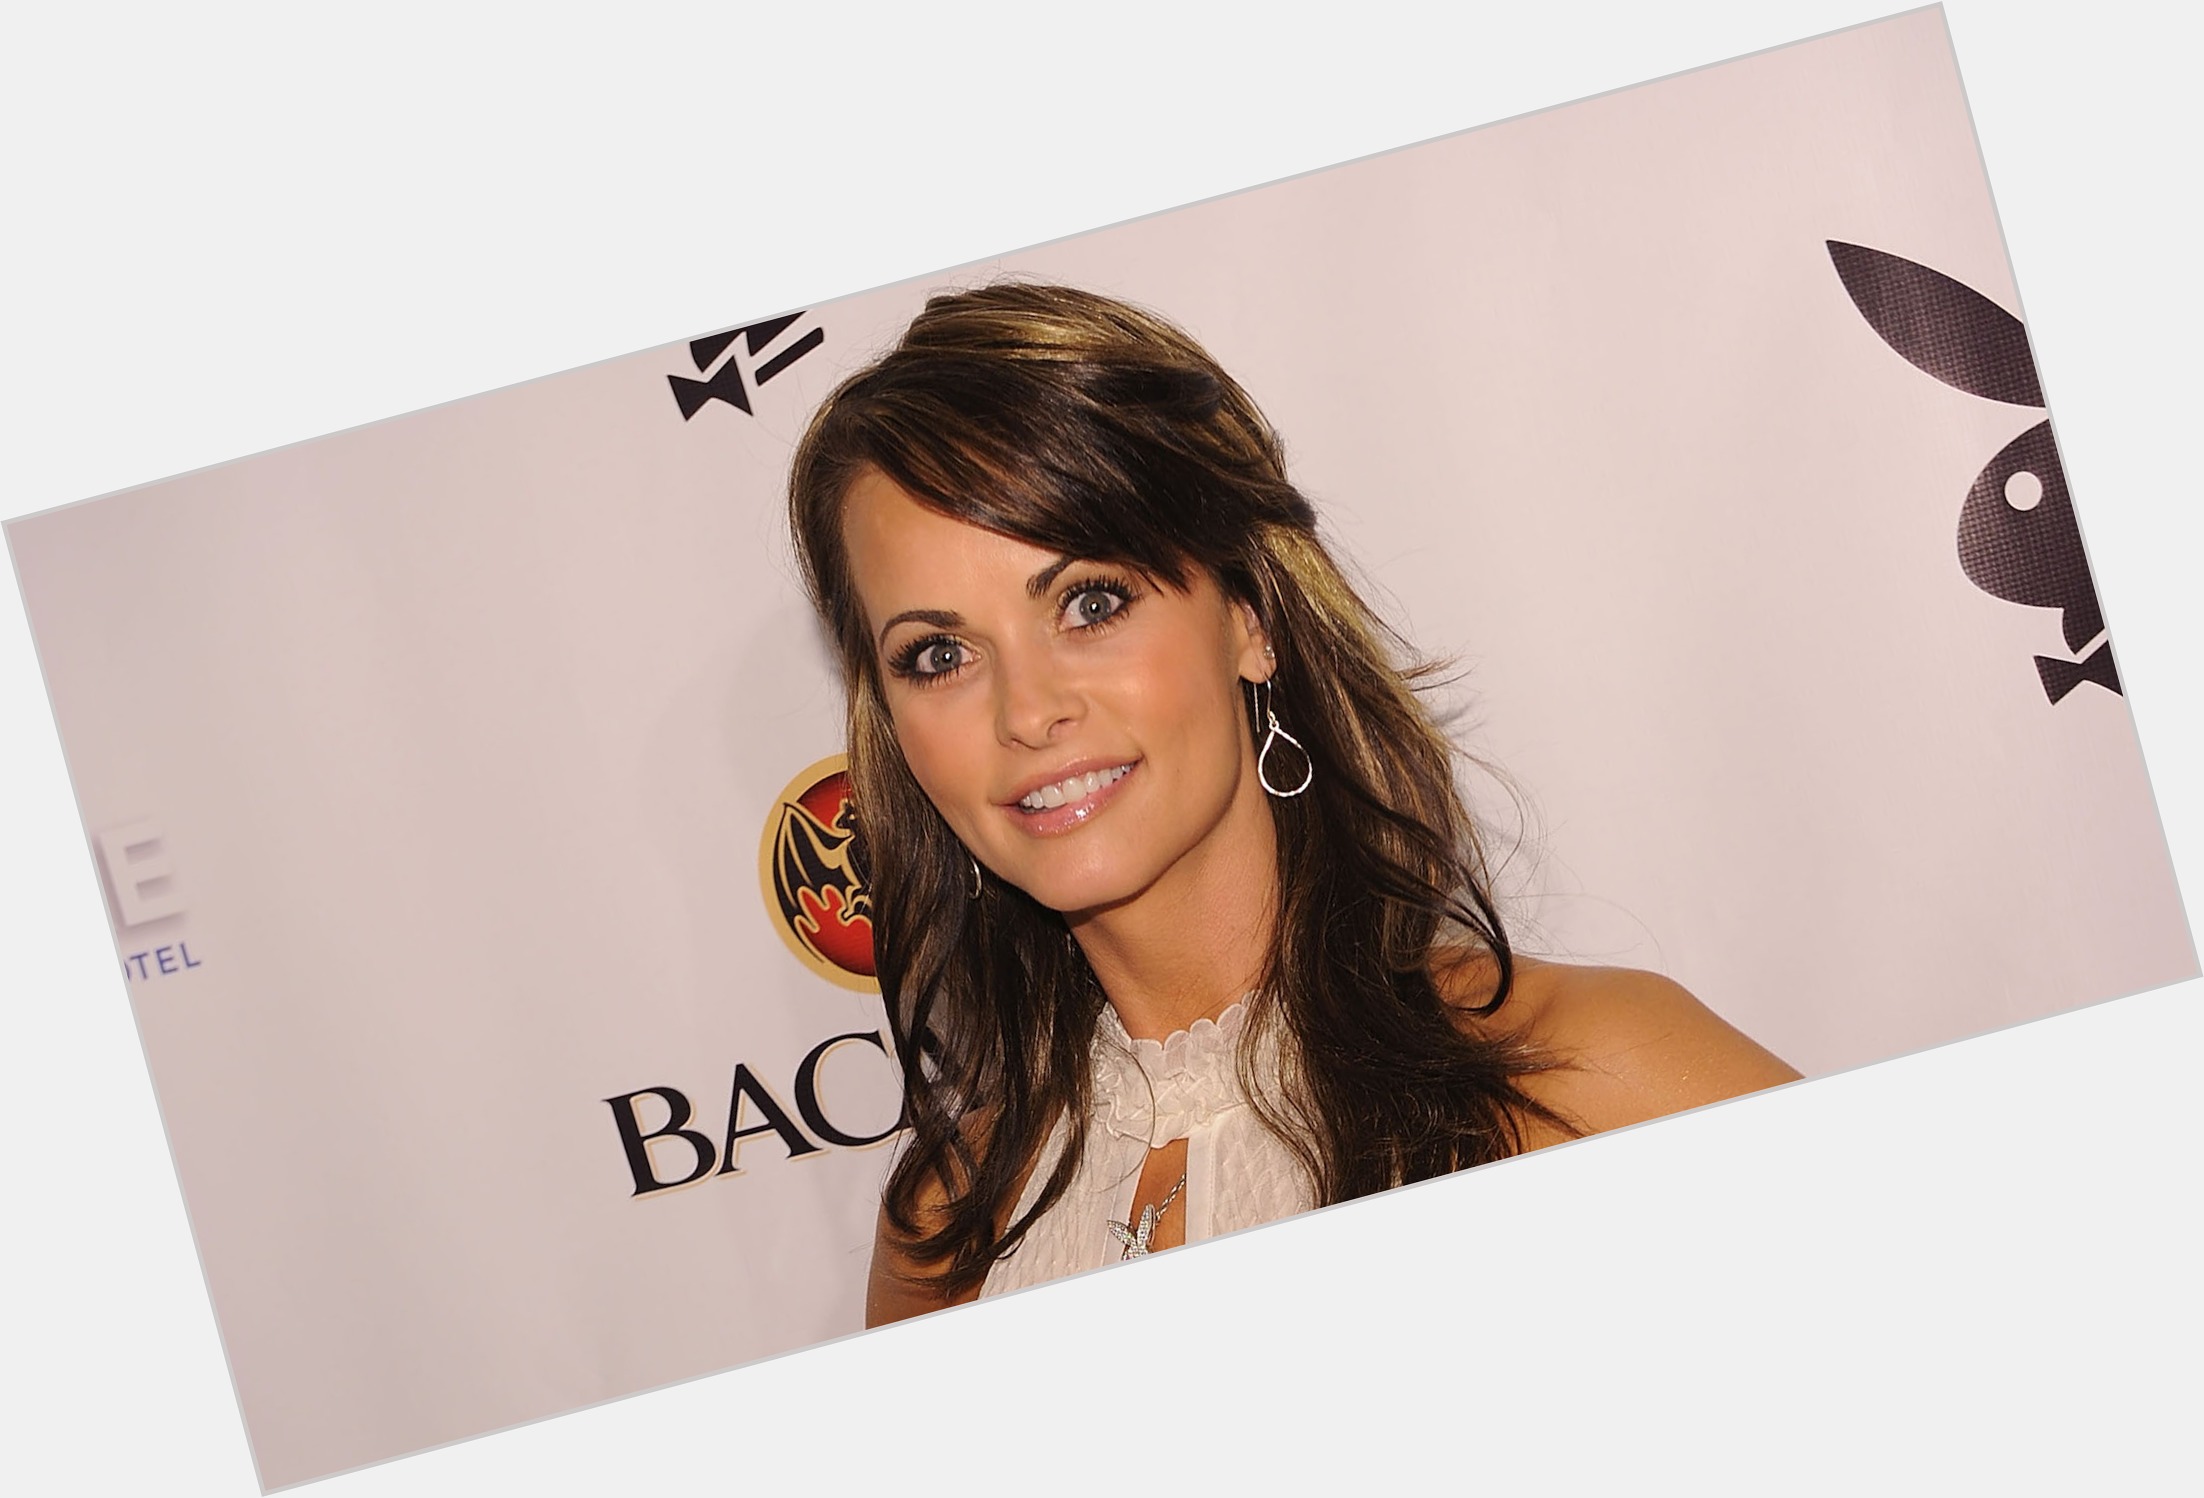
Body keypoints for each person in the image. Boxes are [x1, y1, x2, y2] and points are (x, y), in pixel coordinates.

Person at [784, 282, 1799, 1326]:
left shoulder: (1579, 1077)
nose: (1028, 710)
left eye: (1090, 602)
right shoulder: (944, 1230)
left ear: (1249, 617)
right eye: (938, 655)